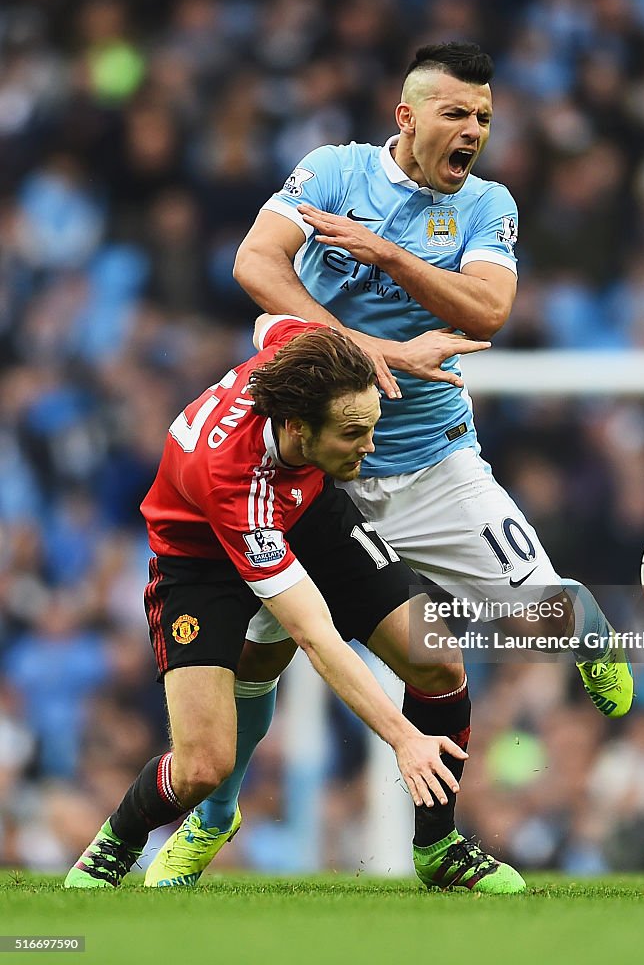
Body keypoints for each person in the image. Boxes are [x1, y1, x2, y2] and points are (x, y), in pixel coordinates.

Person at [150, 41, 633, 891]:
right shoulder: (333, 173)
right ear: (408, 117)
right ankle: (216, 818)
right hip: (310, 474)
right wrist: (368, 348)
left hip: (431, 466)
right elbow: (252, 265)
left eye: (483, 116)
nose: (474, 130)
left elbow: (489, 307)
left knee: (536, 625)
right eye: (456, 113)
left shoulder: (488, 205)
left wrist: (389, 259)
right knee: (257, 665)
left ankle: (584, 630)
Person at [66, 313, 521, 889]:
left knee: (435, 656)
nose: (369, 447)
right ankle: (123, 843)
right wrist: (403, 738)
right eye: (353, 435)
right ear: (298, 429)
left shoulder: (305, 352)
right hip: (199, 562)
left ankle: (439, 849)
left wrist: (398, 354)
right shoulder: (236, 480)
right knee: (203, 766)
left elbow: (265, 321)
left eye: (371, 428)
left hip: (306, 513)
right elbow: (317, 636)